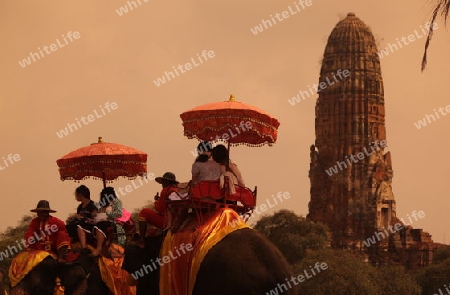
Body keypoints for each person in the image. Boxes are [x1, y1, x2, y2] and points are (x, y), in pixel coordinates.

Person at [77, 187, 125, 257]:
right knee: (81, 224)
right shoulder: (100, 204)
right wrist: (94, 215)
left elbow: (118, 213)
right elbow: (94, 213)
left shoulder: (116, 202)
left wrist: (106, 215)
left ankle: (99, 248)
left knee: (100, 225)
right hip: (98, 221)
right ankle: (84, 248)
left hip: (112, 222)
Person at [136, 172, 180, 248]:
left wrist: (156, 201)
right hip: (178, 220)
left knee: (144, 212)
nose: (162, 184)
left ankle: (141, 241)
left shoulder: (166, 190)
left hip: (167, 221)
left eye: (163, 181)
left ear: (167, 182)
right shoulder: (177, 190)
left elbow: (160, 210)